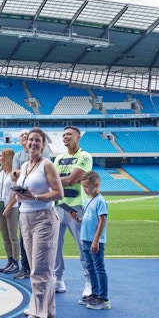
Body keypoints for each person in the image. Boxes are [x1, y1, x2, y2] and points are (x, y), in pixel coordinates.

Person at [14, 127, 64, 318]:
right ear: (26, 143)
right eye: (31, 140)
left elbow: (59, 193)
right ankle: (47, 308)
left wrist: (35, 197)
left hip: (44, 217)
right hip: (25, 217)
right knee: (38, 266)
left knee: (40, 268)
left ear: (43, 145)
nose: (33, 143)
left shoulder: (47, 165)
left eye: (37, 140)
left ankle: (37, 314)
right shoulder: (24, 165)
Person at [54, 126, 93, 296]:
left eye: (69, 134)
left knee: (83, 246)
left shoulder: (84, 156)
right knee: (55, 246)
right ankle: (58, 279)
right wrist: (54, 180)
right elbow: (56, 180)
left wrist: (54, 180)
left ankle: (89, 282)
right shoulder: (59, 158)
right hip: (59, 206)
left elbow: (72, 180)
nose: (66, 137)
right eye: (64, 135)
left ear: (78, 137)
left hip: (76, 207)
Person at [11, 129, 50, 280]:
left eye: (35, 139)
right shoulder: (19, 157)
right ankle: (26, 267)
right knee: (24, 237)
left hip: (42, 209)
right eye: (23, 136)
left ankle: (39, 273)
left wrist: (35, 197)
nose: (27, 139)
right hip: (25, 206)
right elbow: (13, 175)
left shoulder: (44, 159)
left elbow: (56, 189)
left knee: (40, 246)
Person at [78, 171, 110, 310]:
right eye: (83, 187)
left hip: (94, 240)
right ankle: (95, 293)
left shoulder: (101, 201)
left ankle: (103, 298)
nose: (85, 189)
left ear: (96, 185)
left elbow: (102, 222)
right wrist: (77, 218)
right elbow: (87, 219)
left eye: (86, 186)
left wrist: (96, 240)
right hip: (85, 239)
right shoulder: (87, 201)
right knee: (90, 268)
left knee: (99, 268)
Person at [0, 148, 19, 274]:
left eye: (1, 156)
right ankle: (9, 260)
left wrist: (9, 206)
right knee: (5, 236)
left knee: (13, 235)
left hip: (12, 207)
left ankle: (15, 262)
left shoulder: (14, 174)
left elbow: (17, 193)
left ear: (7, 157)